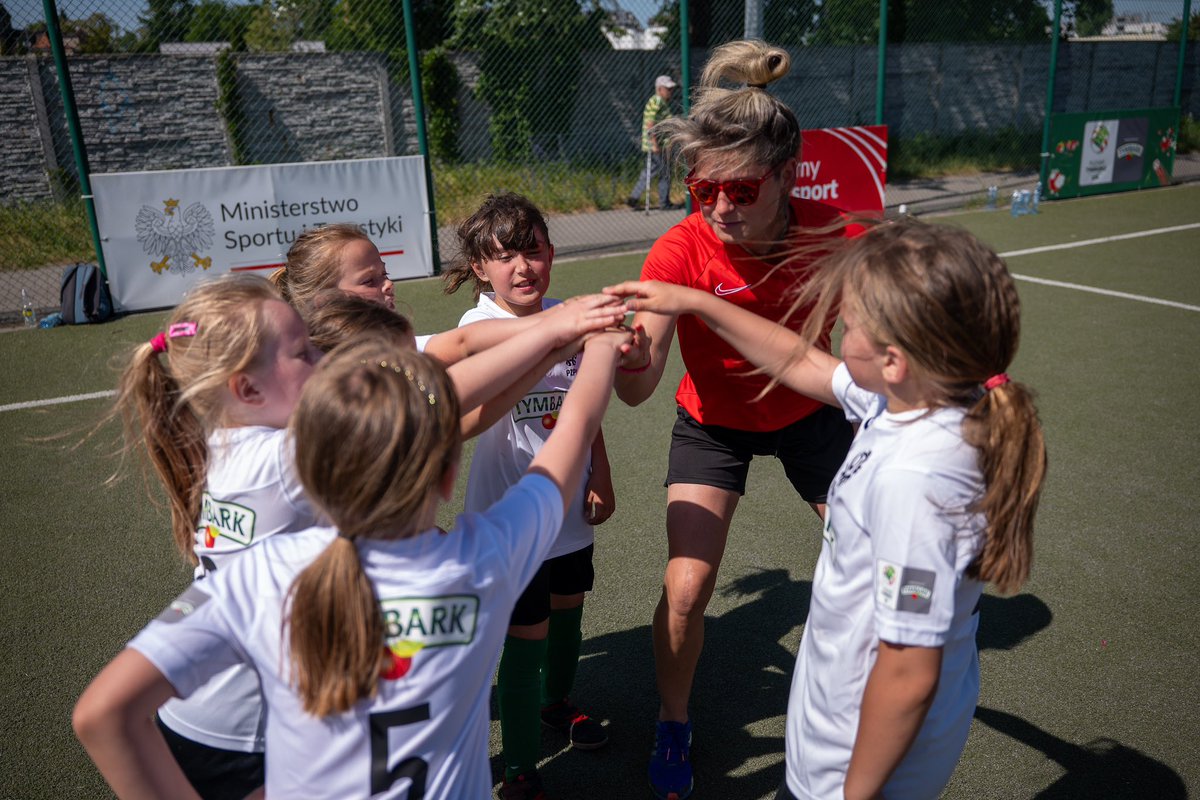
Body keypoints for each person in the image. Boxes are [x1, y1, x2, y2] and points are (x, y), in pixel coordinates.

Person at [72, 327, 633, 799]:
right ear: (445, 477)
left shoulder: (262, 574)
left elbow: (102, 715)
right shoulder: (485, 558)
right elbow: (575, 429)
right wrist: (600, 348)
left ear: (312, 478)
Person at [606, 217, 1048, 800]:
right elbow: (795, 358)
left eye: (852, 317)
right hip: (845, 736)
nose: (838, 323)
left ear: (894, 359)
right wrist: (696, 302)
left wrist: (853, 793)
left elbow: (910, 672)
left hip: (852, 763)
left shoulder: (913, 481)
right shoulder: (902, 402)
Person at [611, 39, 863, 800]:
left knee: (876, 558)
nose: (720, 208)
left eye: (743, 189)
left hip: (811, 418)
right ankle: (674, 720)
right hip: (712, 423)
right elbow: (638, 389)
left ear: (789, 175)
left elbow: (875, 357)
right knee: (687, 588)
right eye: (702, 189)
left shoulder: (838, 237)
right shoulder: (679, 249)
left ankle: (858, 708)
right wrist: (628, 356)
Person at [108, 273, 324, 799]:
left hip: (193, 711)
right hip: (247, 733)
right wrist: (547, 332)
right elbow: (431, 412)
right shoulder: (286, 460)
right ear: (247, 389)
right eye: (304, 353)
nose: (321, 359)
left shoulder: (218, 436)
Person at [444, 192, 627, 800]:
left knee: (569, 614)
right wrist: (574, 325)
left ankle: (559, 704)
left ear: (551, 254)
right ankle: (520, 763)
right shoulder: (476, 328)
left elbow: (585, 406)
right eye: (504, 256)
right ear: (479, 266)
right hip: (508, 518)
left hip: (569, 509)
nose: (522, 267)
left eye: (534, 251)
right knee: (526, 635)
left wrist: (599, 471)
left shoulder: (560, 312)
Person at [626, 75, 682, 211]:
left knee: (652, 171)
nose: (670, 91)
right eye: (668, 89)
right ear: (660, 89)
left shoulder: (662, 102)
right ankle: (663, 203)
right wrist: (654, 143)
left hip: (661, 145)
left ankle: (634, 197)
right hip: (656, 146)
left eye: (671, 89)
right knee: (662, 172)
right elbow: (650, 123)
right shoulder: (656, 101)